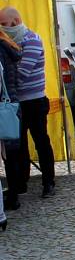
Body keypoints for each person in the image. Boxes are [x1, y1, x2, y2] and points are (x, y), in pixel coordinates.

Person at [0, 7, 56, 200]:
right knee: (19, 144)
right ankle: (20, 184)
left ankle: (48, 182)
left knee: (41, 141)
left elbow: (21, 73)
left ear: (14, 22)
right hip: (17, 102)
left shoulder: (31, 39)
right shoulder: (9, 42)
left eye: (3, 24)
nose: (2, 28)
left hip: (34, 100)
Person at [0, 27, 22, 215]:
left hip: (3, 106)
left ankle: (13, 196)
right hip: (12, 105)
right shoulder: (8, 47)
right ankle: (14, 193)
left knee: (9, 154)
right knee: (12, 153)